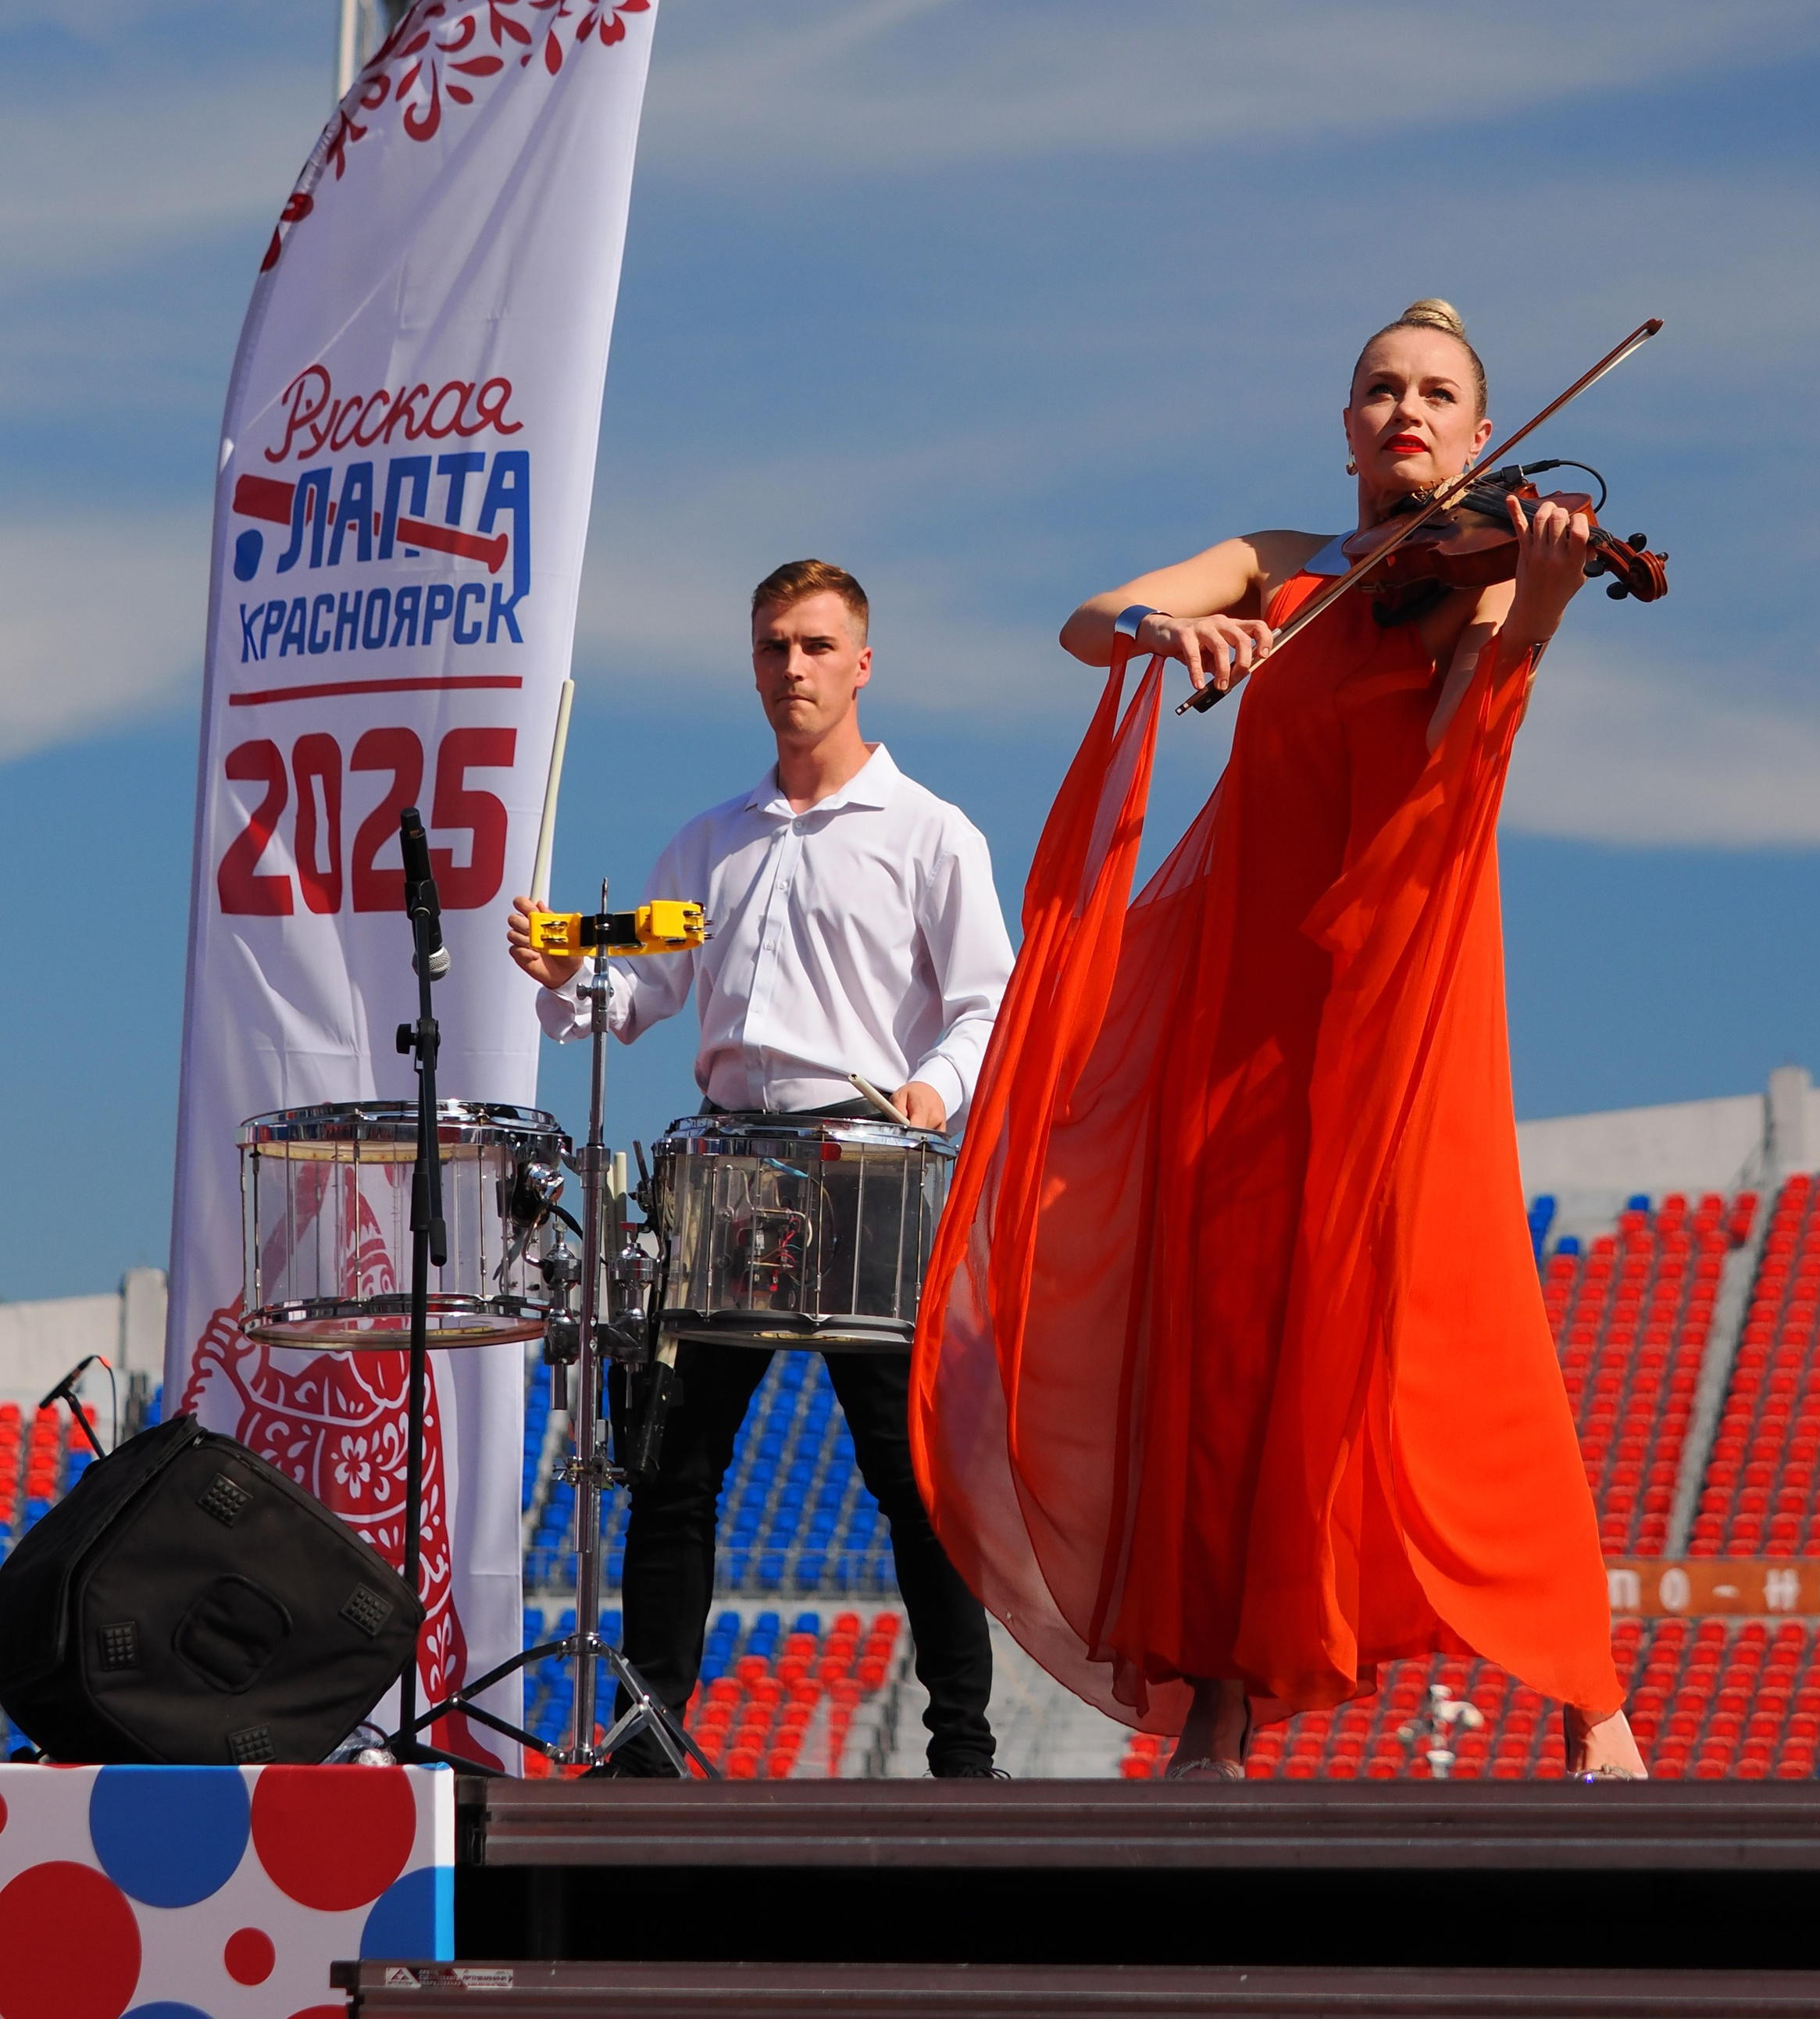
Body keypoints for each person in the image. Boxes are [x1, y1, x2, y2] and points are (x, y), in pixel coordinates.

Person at [908, 301, 1648, 1782]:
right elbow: (1085, 621)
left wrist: (1543, 617)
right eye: (1381, 388)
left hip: (1396, 990)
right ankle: (1226, 1700)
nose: (1406, 412)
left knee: (1456, 1308)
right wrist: (1161, 627)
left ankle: (1591, 1701)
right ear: (1349, 421)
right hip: (1243, 1000)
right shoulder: (1280, 564)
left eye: (1438, 393)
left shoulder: (1481, 589)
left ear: (1482, 434)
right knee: (1231, 1338)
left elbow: (1448, 784)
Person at [507, 557, 1014, 1778]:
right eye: (775, 646)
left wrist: (933, 1089)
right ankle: (655, 1731)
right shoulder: (711, 842)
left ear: (862, 663)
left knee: (910, 1475)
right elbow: (639, 991)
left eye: (816, 645)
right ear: (754, 663)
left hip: (865, 1165)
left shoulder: (932, 832)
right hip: (726, 1170)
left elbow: (990, 1003)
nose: (793, 668)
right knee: (673, 1467)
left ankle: (962, 1743)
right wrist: (567, 973)